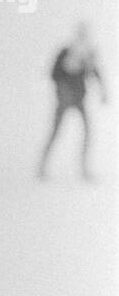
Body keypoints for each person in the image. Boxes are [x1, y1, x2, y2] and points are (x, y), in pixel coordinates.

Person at [37, 23, 107, 182]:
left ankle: (84, 168)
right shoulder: (65, 53)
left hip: (79, 99)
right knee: (55, 133)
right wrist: (63, 89)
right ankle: (42, 167)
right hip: (64, 100)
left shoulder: (87, 55)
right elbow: (53, 74)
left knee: (87, 132)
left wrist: (103, 91)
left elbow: (96, 73)